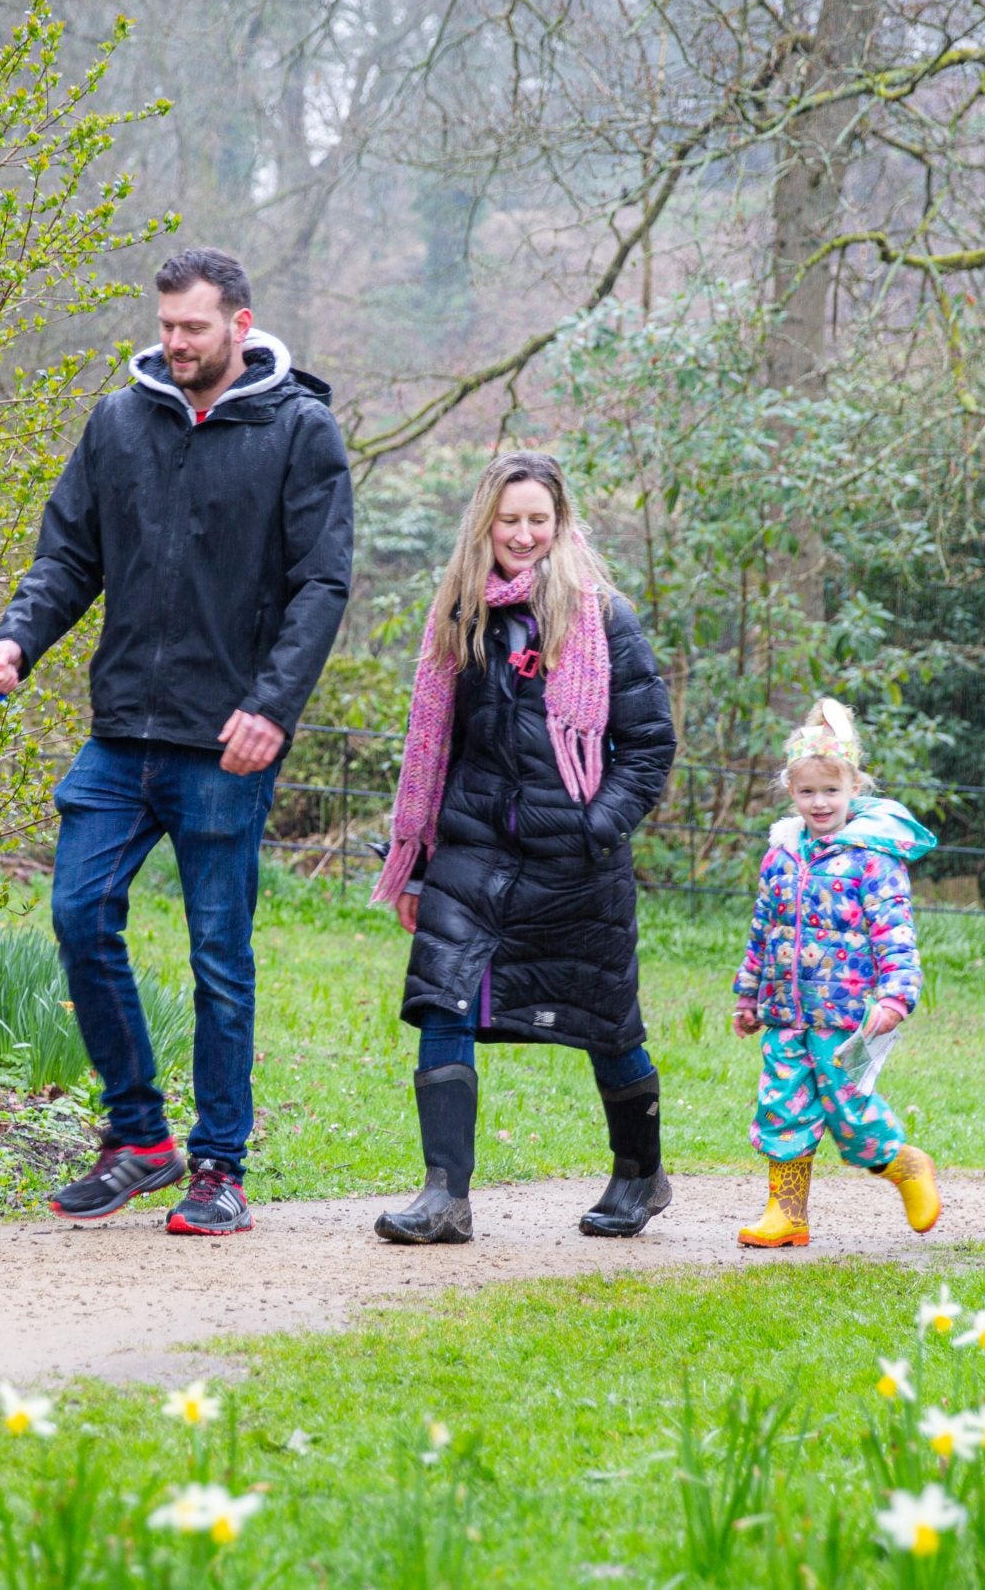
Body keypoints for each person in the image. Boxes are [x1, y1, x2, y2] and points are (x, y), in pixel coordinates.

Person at [0, 247, 353, 1236]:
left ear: (239, 320)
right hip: (121, 737)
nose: (175, 343)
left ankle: (220, 1165)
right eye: (166, 327)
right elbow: (68, 558)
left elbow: (322, 585)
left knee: (219, 960)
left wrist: (271, 706)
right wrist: (19, 639)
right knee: (77, 912)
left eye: (192, 327)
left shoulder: (299, 431)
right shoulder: (118, 424)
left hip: (228, 744)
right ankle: (139, 1138)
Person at [367, 451, 677, 1243]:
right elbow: (436, 746)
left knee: (608, 1027)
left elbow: (648, 745)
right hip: (473, 852)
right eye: (510, 520)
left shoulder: (605, 617)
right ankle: (445, 1196)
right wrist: (420, 862)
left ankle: (641, 1176)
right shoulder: (462, 616)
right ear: (487, 525)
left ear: (559, 523)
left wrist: (593, 827)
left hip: (575, 863)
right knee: (443, 997)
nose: (524, 534)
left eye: (538, 519)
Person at [730, 698, 943, 1248]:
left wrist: (897, 997)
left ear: (854, 789)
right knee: (781, 1108)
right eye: (807, 791)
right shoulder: (781, 856)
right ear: (790, 792)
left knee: (850, 1113)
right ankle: (787, 1215)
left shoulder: (872, 859)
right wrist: (749, 996)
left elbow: (895, 932)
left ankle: (904, 1164)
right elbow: (762, 929)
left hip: (845, 1018)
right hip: (785, 1016)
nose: (819, 802)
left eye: (831, 790)